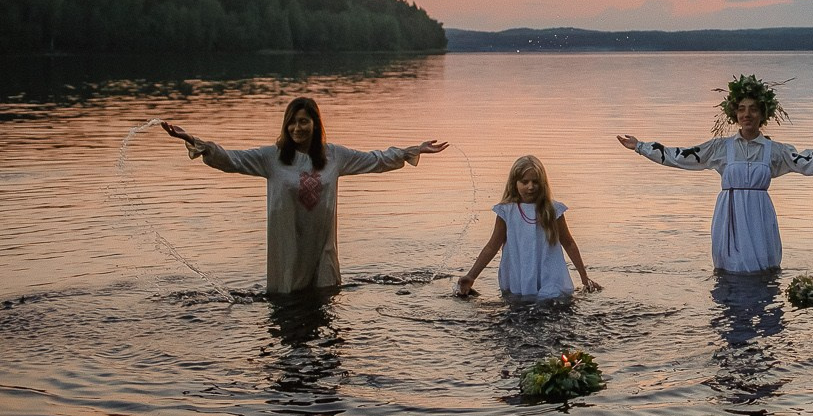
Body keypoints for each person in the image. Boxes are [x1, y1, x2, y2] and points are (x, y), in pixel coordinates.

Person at [161, 97, 447, 293]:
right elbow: (230, 159)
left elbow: (376, 159)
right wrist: (194, 141)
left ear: (315, 124)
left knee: (325, 303)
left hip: (322, 248)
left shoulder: (335, 156)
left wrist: (413, 150)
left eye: (304, 121)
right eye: (292, 122)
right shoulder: (270, 158)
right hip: (288, 247)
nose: (297, 128)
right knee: (288, 305)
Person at [616, 74, 813, 273]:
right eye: (741, 109)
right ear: (734, 114)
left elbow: (811, 162)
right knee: (730, 271)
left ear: (762, 114)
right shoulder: (720, 148)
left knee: (762, 269)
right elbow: (680, 156)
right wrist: (640, 147)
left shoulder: (775, 151)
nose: (746, 114)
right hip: (729, 216)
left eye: (752, 109)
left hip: (759, 216)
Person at [455, 154, 597, 299]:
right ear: (514, 183)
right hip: (519, 276)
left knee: (551, 308)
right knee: (521, 312)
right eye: (525, 182)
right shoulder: (507, 211)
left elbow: (569, 243)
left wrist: (584, 277)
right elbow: (492, 246)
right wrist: (471, 276)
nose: (531, 187)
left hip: (551, 276)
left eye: (535, 182)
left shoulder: (553, 210)